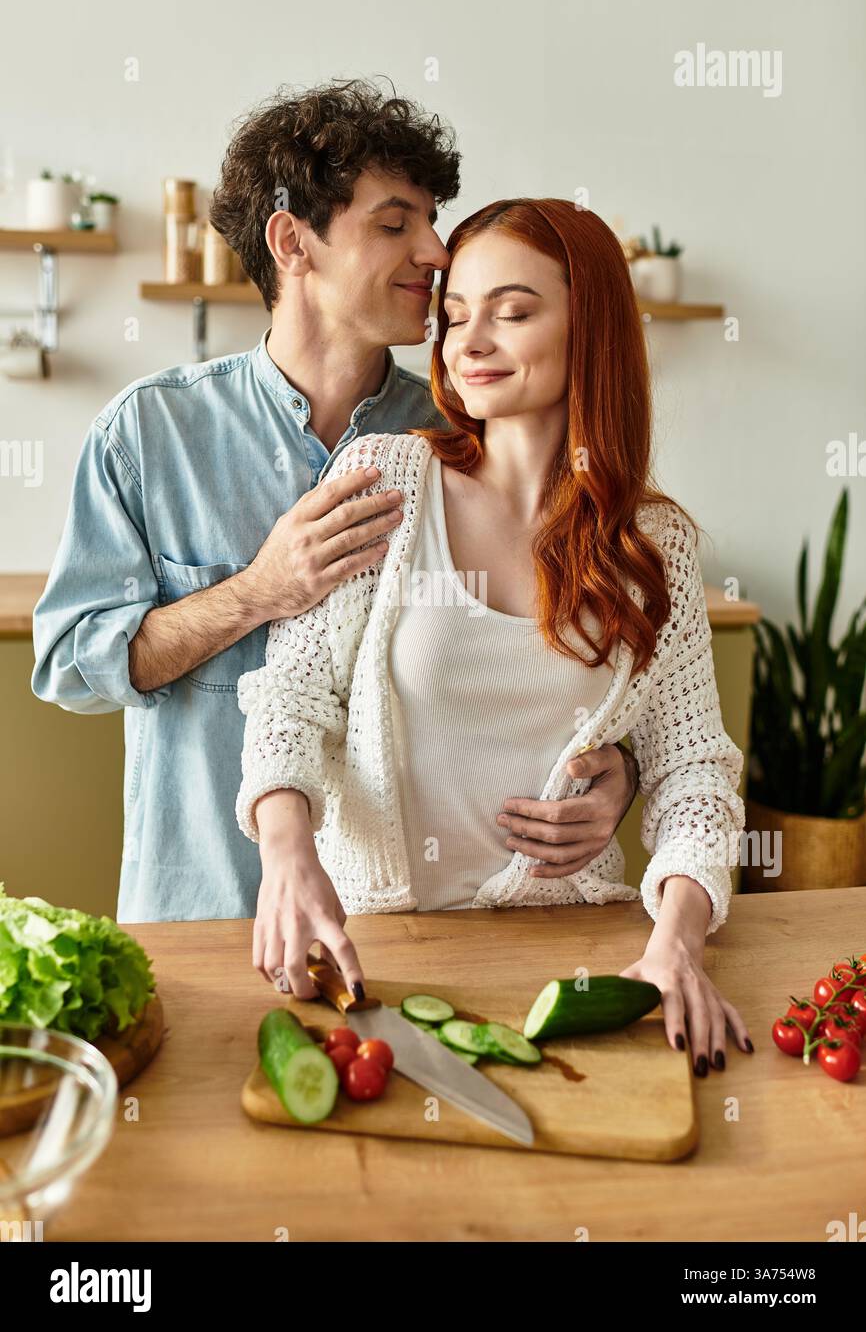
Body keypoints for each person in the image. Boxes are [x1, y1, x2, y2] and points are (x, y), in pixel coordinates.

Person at [30, 80, 638, 924]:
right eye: (395, 223)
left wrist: (622, 774)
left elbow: (577, 662)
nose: (434, 251)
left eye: (433, 220)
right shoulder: (149, 432)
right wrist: (258, 591)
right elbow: (69, 664)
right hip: (201, 908)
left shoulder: (457, 437)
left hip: (410, 928)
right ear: (292, 241)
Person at [235, 199, 753, 1077]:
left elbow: (694, 765)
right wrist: (285, 854)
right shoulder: (384, 482)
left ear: (590, 330)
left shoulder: (652, 543)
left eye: (512, 313)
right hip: (379, 953)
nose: (468, 342)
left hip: (577, 942)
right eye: (455, 315)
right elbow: (295, 691)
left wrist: (678, 940)